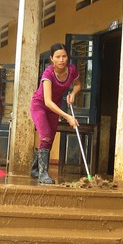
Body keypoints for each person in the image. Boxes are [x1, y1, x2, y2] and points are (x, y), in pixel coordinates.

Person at [30, 43, 81, 184]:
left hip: (55, 107)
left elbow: (78, 84)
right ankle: (43, 174)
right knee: (45, 135)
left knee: (50, 138)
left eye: (64, 56)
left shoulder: (71, 70)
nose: (61, 60)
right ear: (52, 58)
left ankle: (35, 168)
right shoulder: (48, 73)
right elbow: (47, 101)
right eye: (58, 57)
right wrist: (67, 116)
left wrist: (73, 93)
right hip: (40, 105)